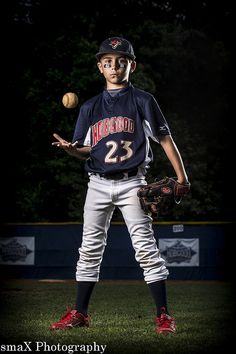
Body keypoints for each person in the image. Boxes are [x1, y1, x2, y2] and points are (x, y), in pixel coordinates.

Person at [50, 36, 189, 334]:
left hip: (132, 184)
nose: (115, 66)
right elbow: (87, 149)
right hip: (97, 184)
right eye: (108, 62)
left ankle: (163, 315)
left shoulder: (142, 100)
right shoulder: (89, 107)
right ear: (100, 67)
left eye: (121, 61)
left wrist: (182, 178)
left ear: (131, 66)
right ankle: (80, 313)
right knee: (89, 249)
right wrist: (71, 150)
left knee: (145, 249)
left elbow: (164, 138)